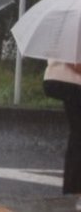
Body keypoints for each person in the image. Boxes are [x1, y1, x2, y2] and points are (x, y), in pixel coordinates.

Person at [42, 60, 81, 210]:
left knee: (77, 134)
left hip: (62, 81)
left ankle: (77, 189)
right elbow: (77, 64)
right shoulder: (76, 36)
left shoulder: (65, 36)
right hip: (74, 83)